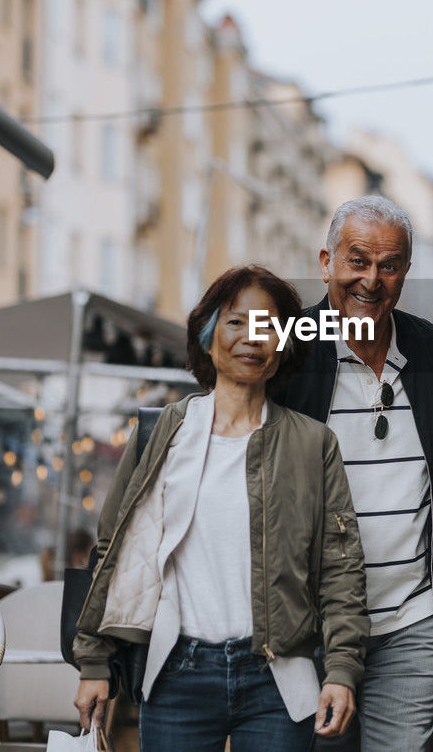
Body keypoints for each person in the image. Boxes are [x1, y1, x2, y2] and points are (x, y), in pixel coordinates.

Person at [72, 266, 368, 750]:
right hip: (177, 673)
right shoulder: (164, 430)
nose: (251, 338)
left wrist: (341, 669)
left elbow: (341, 570)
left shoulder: (314, 444)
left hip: (278, 680)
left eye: (268, 325)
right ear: (208, 337)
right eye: (235, 322)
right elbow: (115, 551)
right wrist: (95, 663)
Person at [277, 195, 433, 751]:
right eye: (358, 261)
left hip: (411, 621)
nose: (371, 280)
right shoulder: (290, 348)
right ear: (326, 262)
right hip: (311, 627)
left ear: (405, 271)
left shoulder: (430, 349)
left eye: (389, 265)